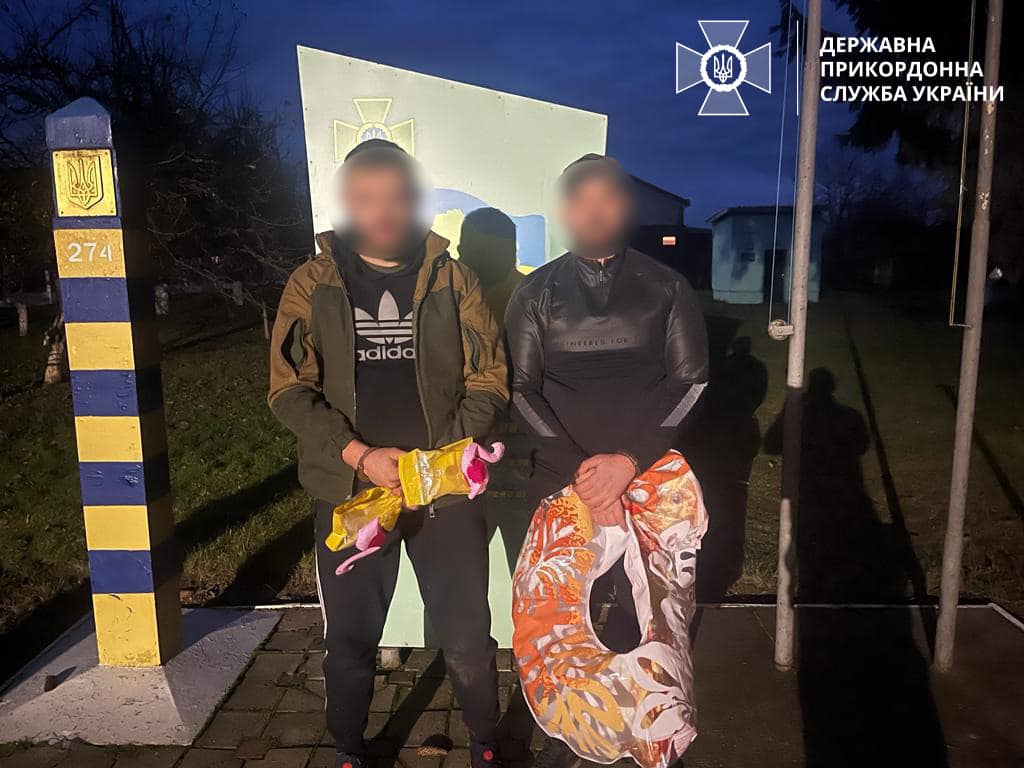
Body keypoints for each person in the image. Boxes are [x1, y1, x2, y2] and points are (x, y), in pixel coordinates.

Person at [268, 139, 509, 768]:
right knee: (350, 639)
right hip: (352, 489)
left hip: (443, 490)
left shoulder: (454, 279)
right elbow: (288, 390)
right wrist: (359, 455)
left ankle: (487, 744)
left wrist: (432, 464)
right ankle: (349, 750)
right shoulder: (313, 282)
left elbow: (490, 381)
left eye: (397, 196)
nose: (384, 210)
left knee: (466, 634)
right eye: (368, 198)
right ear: (348, 203)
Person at [504, 153, 709, 768]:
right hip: (560, 481)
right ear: (566, 211)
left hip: (647, 477)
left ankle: (650, 728)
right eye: (582, 199)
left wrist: (628, 461)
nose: (595, 212)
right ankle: (565, 733)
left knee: (648, 615)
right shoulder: (534, 293)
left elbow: (692, 381)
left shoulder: (666, 287)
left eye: (608, 198)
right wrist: (584, 475)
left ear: (627, 208)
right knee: (561, 615)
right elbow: (520, 389)